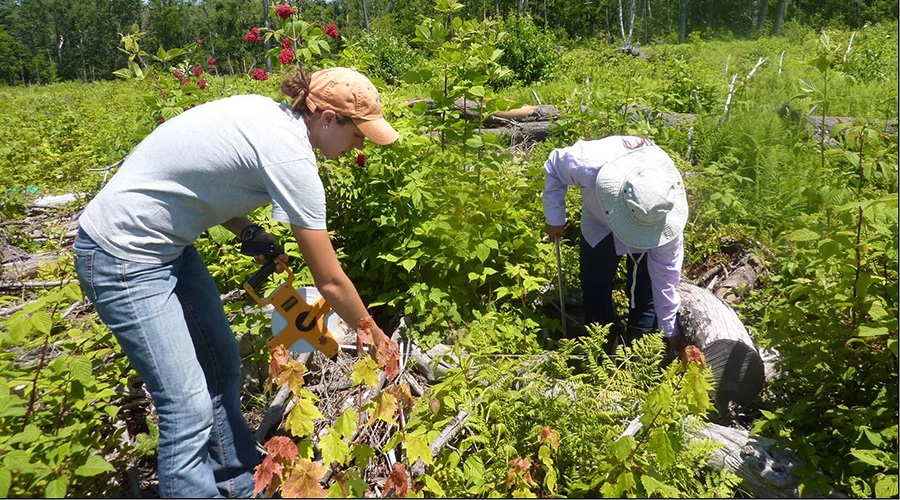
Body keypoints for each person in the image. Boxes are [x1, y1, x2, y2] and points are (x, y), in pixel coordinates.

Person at [72, 67, 399, 498]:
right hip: (121, 256)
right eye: (358, 133)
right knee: (184, 406)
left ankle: (238, 484)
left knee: (221, 363)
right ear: (325, 117)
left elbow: (201, 177)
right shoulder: (290, 156)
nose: (361, 144)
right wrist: (374, 336)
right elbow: (331, 281)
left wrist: (247, 230)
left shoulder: (264, 114)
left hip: (168, 247)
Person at [543, 135, 690, 360]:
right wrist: (555, 217)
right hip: (599, 222)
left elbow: (666, 277)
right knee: (595, 280)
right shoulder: (588, 163)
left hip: (649, 221)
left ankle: (641, 341)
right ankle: (600, 341)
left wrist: (671, 330)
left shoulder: (662, 205)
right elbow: (554, 164)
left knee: (647, 283)